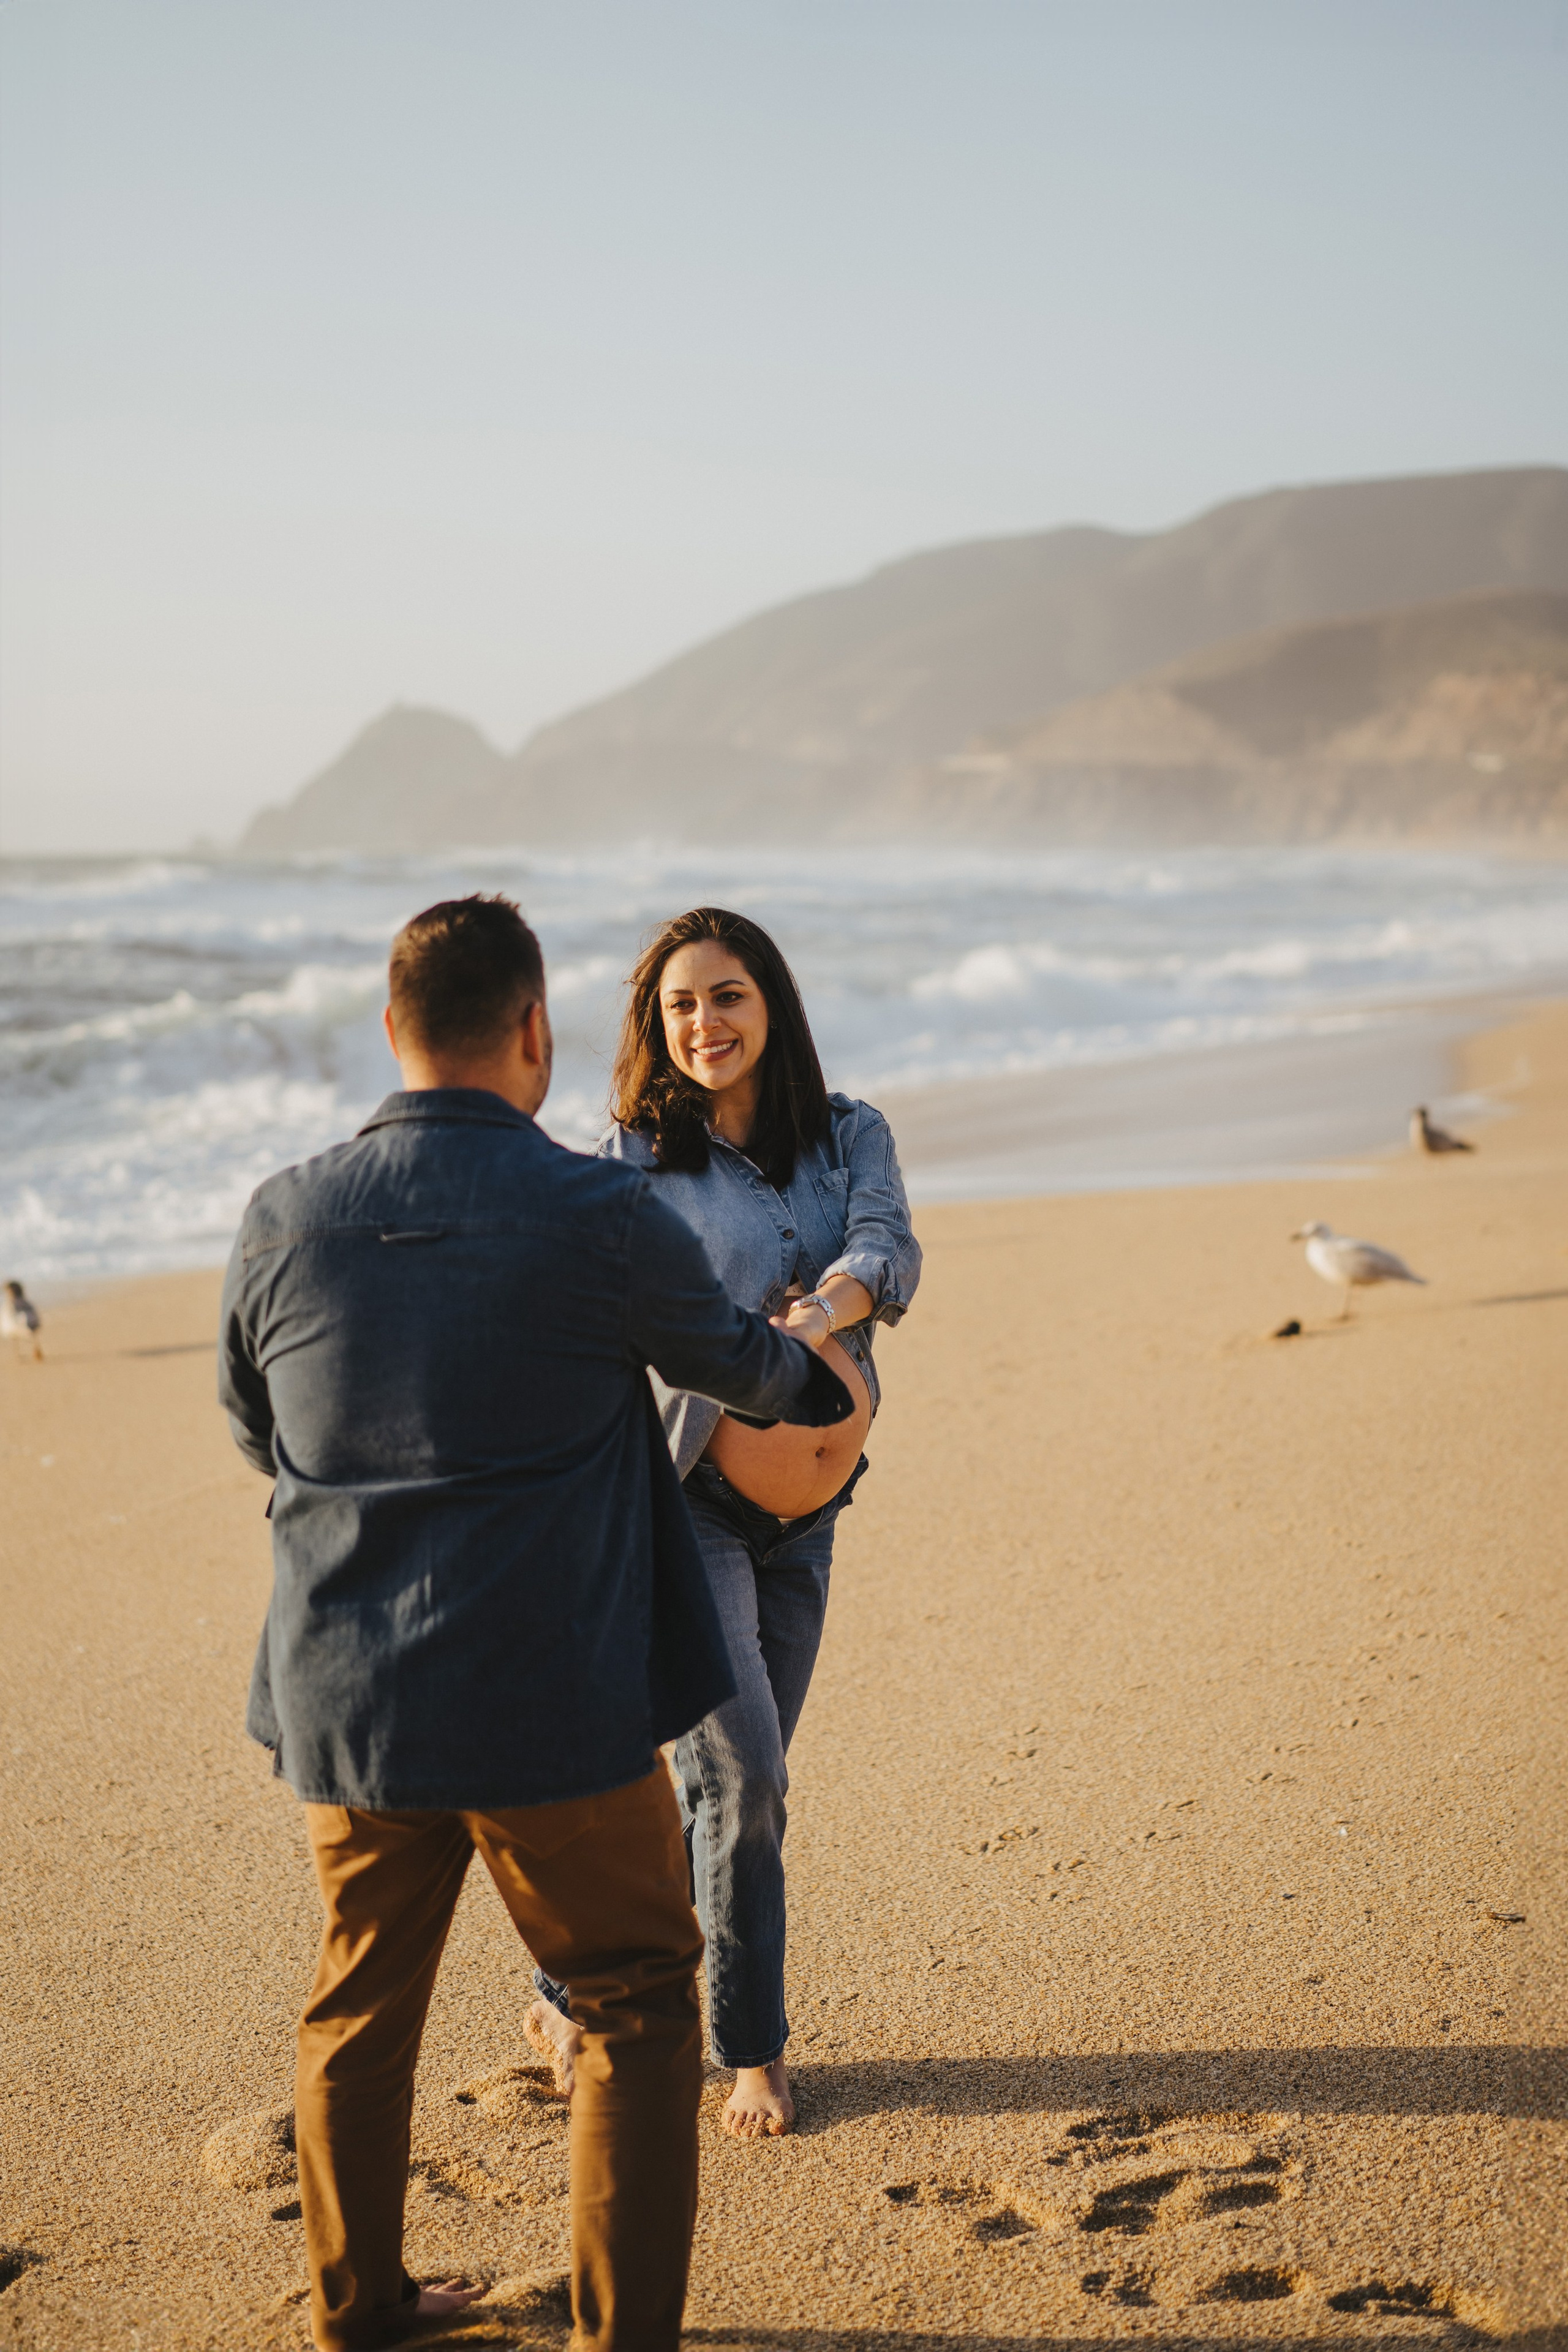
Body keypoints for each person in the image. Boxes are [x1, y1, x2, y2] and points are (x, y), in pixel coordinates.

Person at [217, 895, 853, 2352]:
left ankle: (358, 2309)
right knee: (635, 1999)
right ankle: (621, 2337)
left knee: (359, 2009)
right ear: (534, 1036)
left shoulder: (283, 1212)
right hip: (549, 1696)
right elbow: (745, 1370)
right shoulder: (600, 1213)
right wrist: (820, 1380)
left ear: (389, 1032)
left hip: (349, 1698)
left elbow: (257, 1432)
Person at [529, 907, 920, 2139]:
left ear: (772, 1005)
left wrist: (821, 1313)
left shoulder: (847, 1132)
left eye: (728, 996)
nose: (705, 1023)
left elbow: (886, 1248)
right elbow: (565, 1307)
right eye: (680, 1005)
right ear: (654, 1026)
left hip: (811, 1520)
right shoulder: (632, 1165)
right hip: (688, 1509)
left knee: (728, 1795)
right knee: (742, 1782)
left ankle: (559, 1986)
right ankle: (747, 2049)